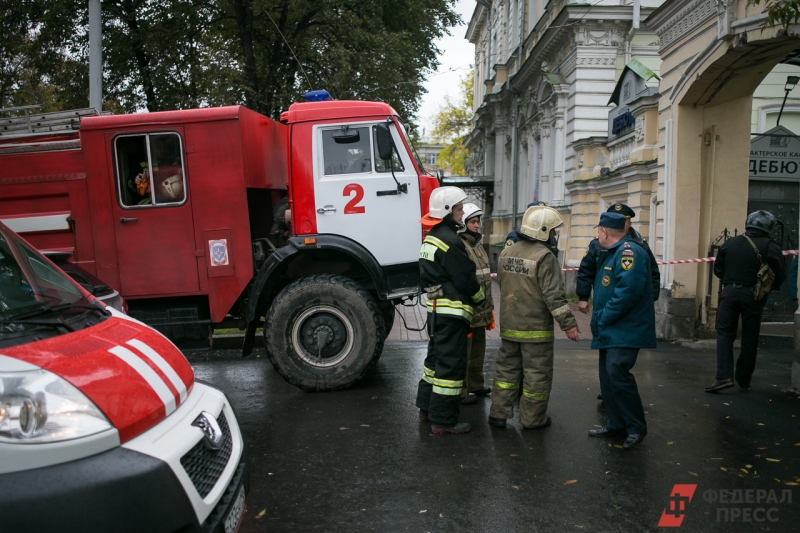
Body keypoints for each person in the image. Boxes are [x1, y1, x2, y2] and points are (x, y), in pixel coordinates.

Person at [488, 206, 580, 430]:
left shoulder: (508, 251)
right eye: (553, 231)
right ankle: (532, 419)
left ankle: (498, 414)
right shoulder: (545, 256)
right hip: (535, 329)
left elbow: (502, 282)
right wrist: (569, 325)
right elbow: (554, 296)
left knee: (506, 372)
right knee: (536, 376)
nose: (555, 236)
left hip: (509, 325)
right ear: (543, 230)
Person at [416, 186, 485, 435]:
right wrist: (480, 298)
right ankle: (443, 421)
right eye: (458, 208)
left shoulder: (432, 236)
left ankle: (426, 410)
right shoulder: (450, 241)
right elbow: (465, 278)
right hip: (452, 313)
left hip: (436, 310)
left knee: (434, 363)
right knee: (451, 366)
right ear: (446, 211)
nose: (461, 212)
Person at [587, 212, 655, 449]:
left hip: (624, 329)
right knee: (608, 377)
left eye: (599, 231)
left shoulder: (629, 253)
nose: (598, 235)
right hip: (611, 329)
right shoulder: (614, 252)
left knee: (618, 374)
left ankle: (635, 428)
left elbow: (628, 293)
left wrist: (603, 317)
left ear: (604, 232)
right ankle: (616, 424)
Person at [705, 210, 786, 393]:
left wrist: (731, 281)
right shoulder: (771, 247)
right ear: (769, 228)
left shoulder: (730, 243)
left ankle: (724, 376)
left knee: (725, 334)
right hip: (754, 295)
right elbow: (780, 274)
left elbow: (718, 269)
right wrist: (766, 288)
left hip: (729, 293)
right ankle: (744, 379)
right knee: (750, 337)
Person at [577, 203, 660, 316]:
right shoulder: (597, 244)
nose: (619, 223)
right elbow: (586, 271)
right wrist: (583, 296)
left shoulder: (639, 245)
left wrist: (649, 299)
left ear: (629, 223)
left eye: (623, 220)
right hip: (604, 301)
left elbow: (652, 274)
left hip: (626, 309)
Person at [457, 203, 495, 405]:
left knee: (479, 349)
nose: (477, 225)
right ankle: (462, 391)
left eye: (478, 221)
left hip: (482, 309)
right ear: (463, 224)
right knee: (466, 350)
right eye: (473, 221)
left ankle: (476, 384)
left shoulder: (477, 245)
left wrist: (489, 307)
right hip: (470, 310)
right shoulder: (461, 246)